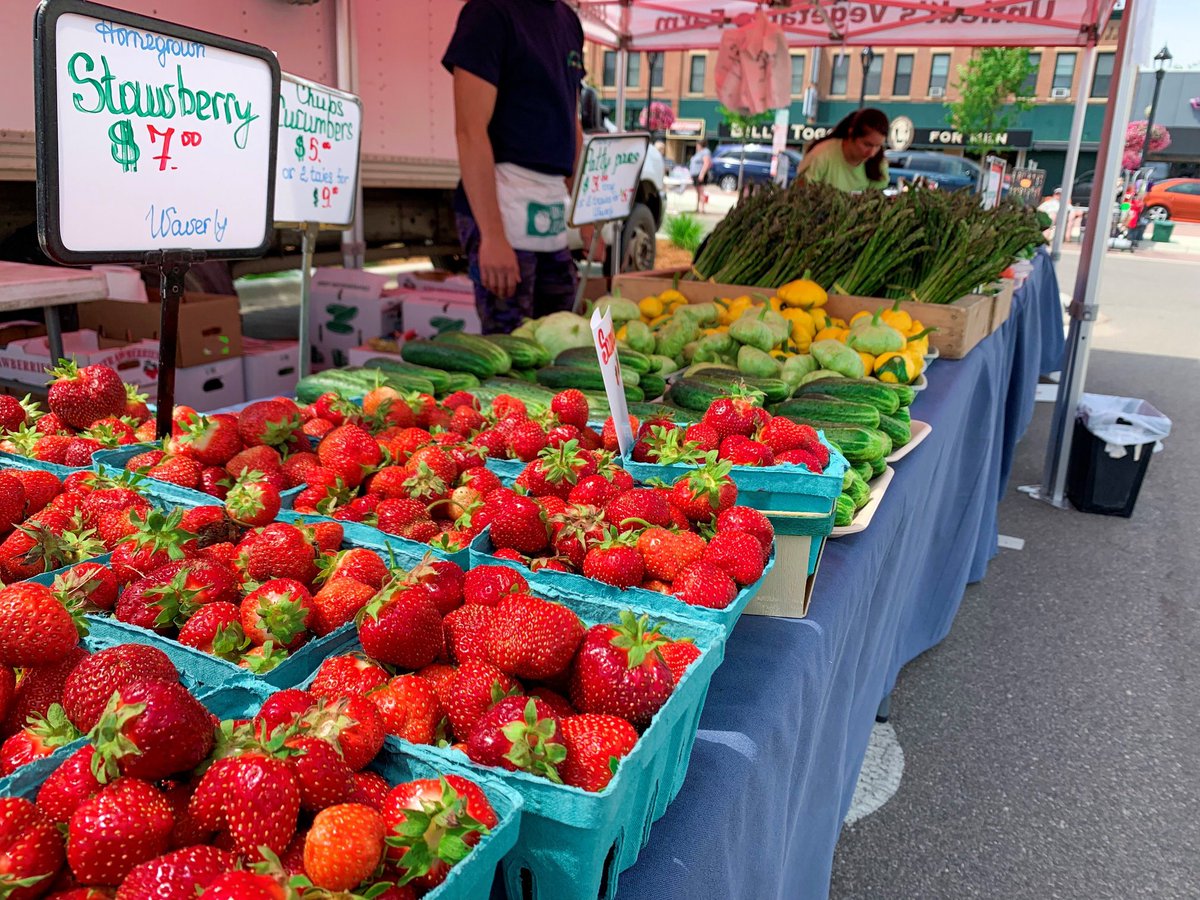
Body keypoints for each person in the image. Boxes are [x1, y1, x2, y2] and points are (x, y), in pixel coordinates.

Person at [442, 0, 589, 333]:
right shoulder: (488, 12)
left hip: (551, 208)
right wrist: (492, 236)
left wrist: (586, 211)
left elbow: (572, 122)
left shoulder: (568, 21)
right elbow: (469, 130)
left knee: (560, 338)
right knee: (510, 348)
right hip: (503, 205)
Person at [796, 108, 890, 192]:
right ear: (851, 133)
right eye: (867, 145)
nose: (872, 153)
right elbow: (800, 193)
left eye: (878, 146)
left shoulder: (879, 164)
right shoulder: (821, 155)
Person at [689, 140, 713, 212]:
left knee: (701, 191)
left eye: (697, 144)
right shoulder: (698, 153)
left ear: (700, 145)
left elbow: (706, 163)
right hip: (695, 174)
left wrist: (702, 174)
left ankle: (702, 209)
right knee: (698, 192)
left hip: (700, 174)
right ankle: (697, 208)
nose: (696, 146)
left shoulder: (705, 152)